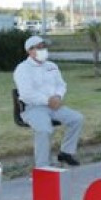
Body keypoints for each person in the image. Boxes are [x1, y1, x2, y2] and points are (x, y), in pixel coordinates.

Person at [13, 36, 85, 169]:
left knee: (77, 119)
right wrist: (47, 100)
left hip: (54, 105)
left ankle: (66, 153)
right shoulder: (22, 69)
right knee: (44, 129)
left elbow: (61, 84)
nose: (43, 50)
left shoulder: (52, 66)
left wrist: (58, 96)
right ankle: (43, 167)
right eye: (39, 47)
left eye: (44, 47)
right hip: (33, 108)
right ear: (30, 50)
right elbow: (27, 93)